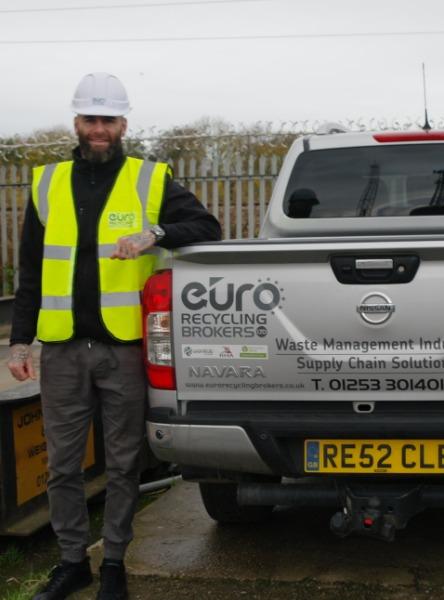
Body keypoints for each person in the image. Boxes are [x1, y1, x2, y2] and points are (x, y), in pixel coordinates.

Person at [7, 72, 221, 600]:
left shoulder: (151, 179)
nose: (98, 129)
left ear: (124, 124)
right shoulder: (46, 182)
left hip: (123, 349)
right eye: (90, 120)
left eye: (108, 120)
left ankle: (115, 566)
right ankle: (72, 562)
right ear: (76, 123)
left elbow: (208, 228)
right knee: (61, 466)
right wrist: (19, 340)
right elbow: (30, 269)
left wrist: (155, 234)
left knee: (125, 462)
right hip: (60, 350)